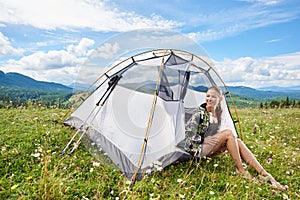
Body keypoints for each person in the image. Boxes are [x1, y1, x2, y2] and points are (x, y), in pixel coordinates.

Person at [199, 86, 286, 191]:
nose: (209, 99)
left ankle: (265, 174)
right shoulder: (200, 112)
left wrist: (222, 143)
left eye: (213, 97)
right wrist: (208, 139)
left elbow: (219, 134)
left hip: (213, 148)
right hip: (199, 149)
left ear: (220, 99)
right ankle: (241, 170)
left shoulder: (219, 113)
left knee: (237, 141)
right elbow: (191, 137)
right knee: (229, 134)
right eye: (208, 96)